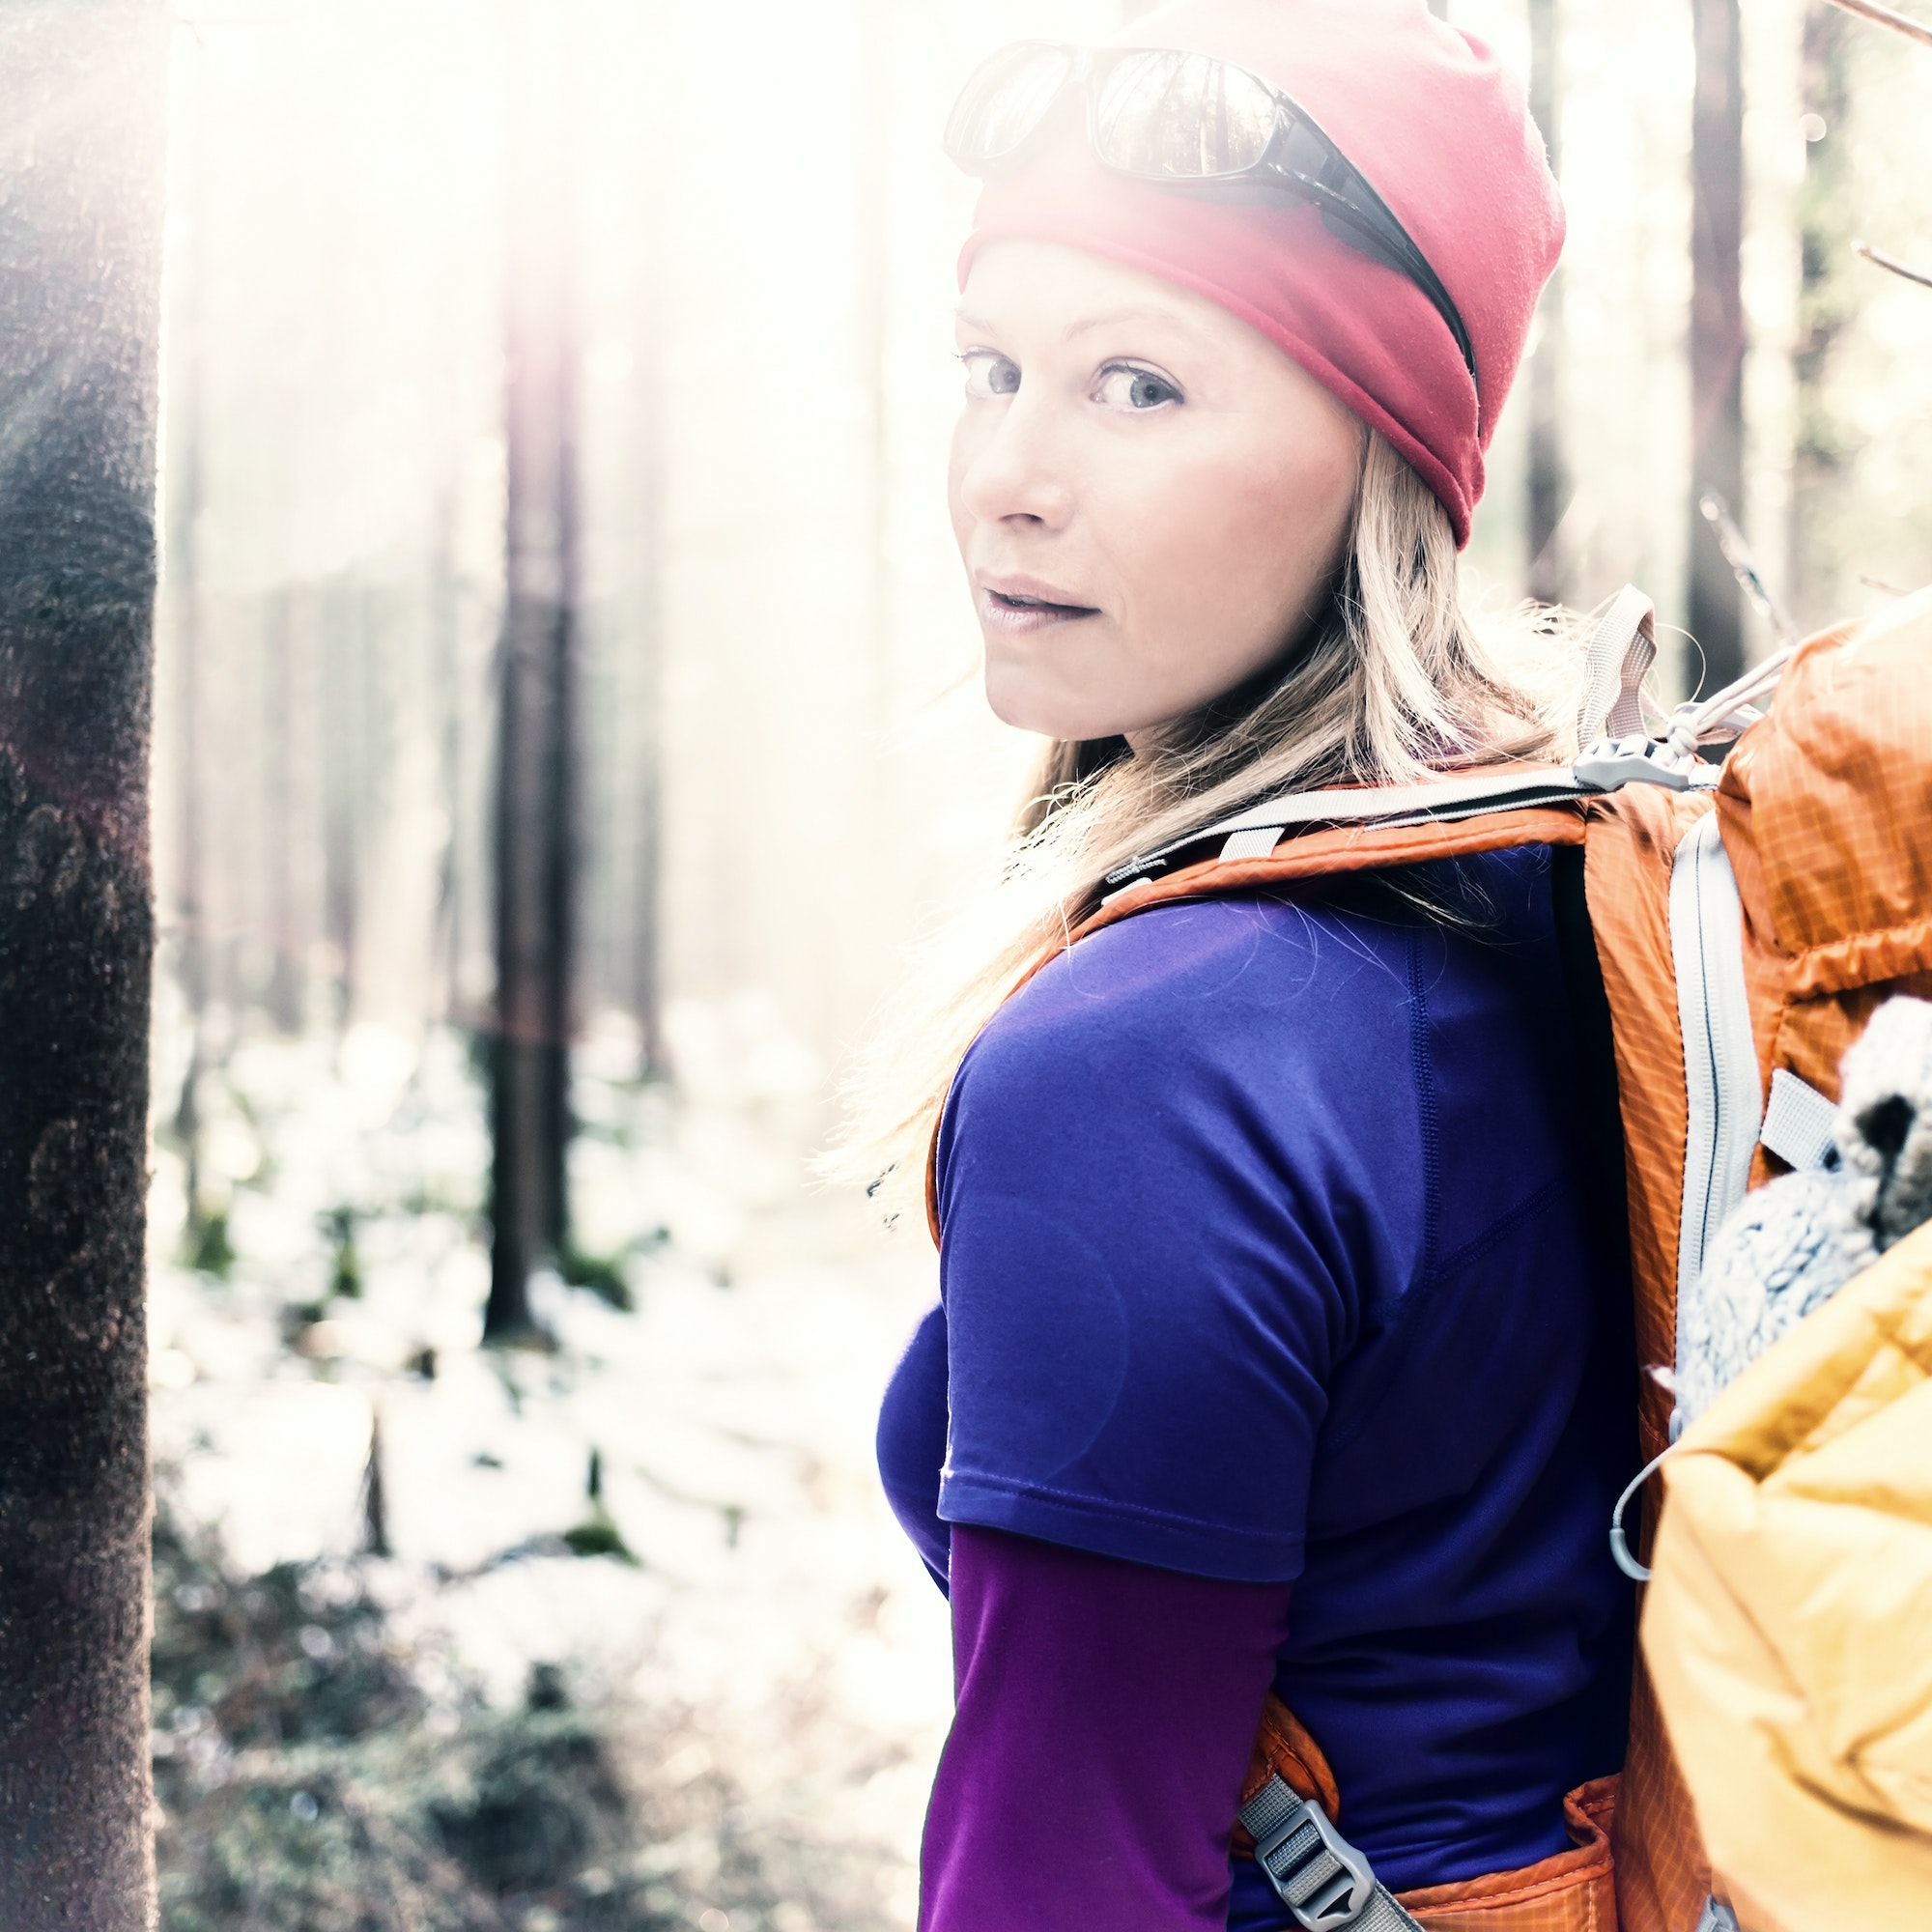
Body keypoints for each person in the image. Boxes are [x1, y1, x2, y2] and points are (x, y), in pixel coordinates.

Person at [845, 4, 1638, 1925]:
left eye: (1140, 386)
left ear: (1386, 458)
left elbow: (1066, 1876)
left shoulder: (1153, 1065)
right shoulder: (1561, 878)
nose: (1006, 477)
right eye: (990, 365)